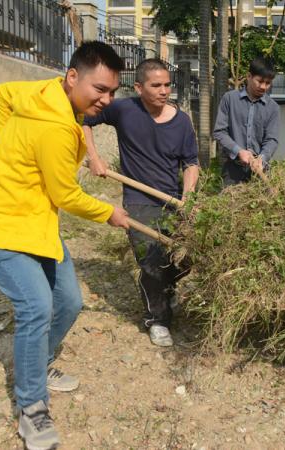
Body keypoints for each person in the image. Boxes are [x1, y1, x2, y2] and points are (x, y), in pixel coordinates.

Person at [0, 41, 129, 450]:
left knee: (68, 302)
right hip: (4, 225)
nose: (105, 99)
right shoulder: (53, 129)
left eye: (111, 92)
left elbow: (1, 95)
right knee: (36, 307)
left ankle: (37, 362)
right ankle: (31, 407)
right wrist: (110, 214)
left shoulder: (41, 90)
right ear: (72, 78)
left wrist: (7, 144)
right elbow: (68, 195)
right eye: (99, 90)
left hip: (38, 223)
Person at [83, 59, 199, 347]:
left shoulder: (182, 121)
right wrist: (94, 156)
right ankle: (156, 320)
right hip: (137, 200)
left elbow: (191, 163)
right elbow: (83, 119)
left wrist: (188, 196)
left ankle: (166, 294)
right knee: (151, 261)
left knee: (185, 258)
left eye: (167, 85)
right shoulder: (124, 109)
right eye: (156, 85)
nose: (164, 91)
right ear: (138, 87)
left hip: (172, 198)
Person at [213, 57, 280, 186]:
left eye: (268, 83)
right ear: (249, 76)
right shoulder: (229, 99)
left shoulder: (273, 108)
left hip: (261, 169)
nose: (263, 87)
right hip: (232, 170)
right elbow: (220, 132)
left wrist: (262, 158)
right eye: (259, 81)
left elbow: (272, 139)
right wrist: (239, 151)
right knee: (228, 204)